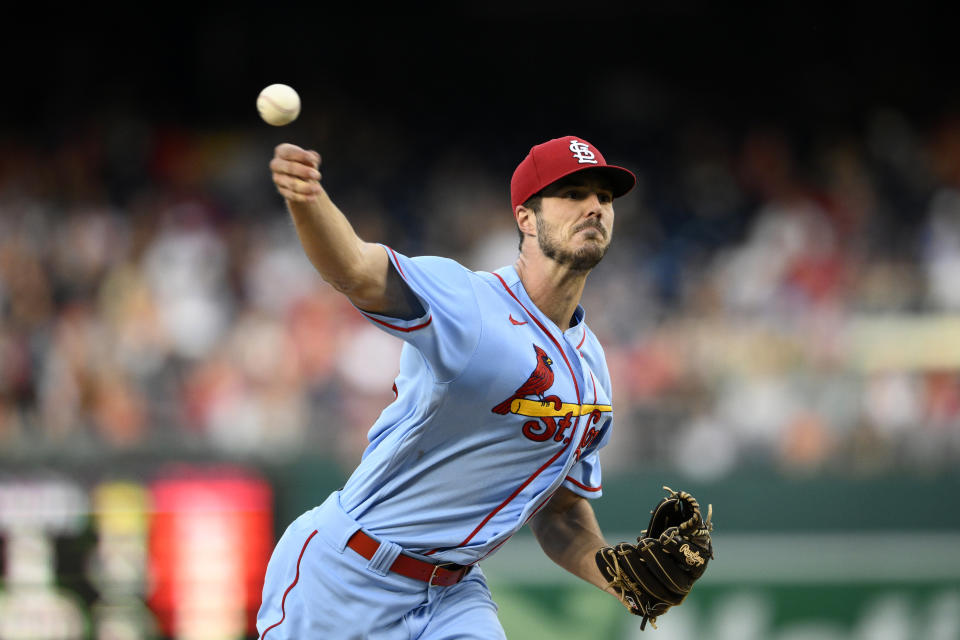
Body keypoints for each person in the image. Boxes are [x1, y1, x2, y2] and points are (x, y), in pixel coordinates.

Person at [257, 135, 636, 639]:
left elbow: (560, 511)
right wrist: (308, 200)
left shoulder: (593, 369)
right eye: (573, 194)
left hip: (453, 595)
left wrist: (621, 576)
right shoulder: (468, 302)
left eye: (604, 198)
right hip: (348, 575)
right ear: (525, 218)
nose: (594, 207)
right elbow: (354, 268)